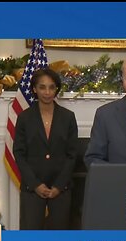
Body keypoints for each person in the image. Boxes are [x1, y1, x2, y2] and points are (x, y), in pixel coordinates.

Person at [13, 68, 78, 229]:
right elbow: (19, 154)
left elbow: (72, 154)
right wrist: (35, 185)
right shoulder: (24, 118)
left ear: (56, 89)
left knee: (59, 239)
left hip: (61, 188)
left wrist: (58, 186)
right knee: (31, 237)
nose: (47, 92)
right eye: (42, 87)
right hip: (32, 188)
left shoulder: (68, 117)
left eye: (51, 87)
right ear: (34, 89)